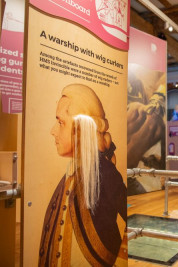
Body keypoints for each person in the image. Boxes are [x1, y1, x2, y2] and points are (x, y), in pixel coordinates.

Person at [39, 84, 127, 266]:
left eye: (61, 122)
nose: (53, 130)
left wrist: (120, 261)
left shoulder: (105, 172)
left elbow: (132, 217)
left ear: (81, 128)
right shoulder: (70, 175)